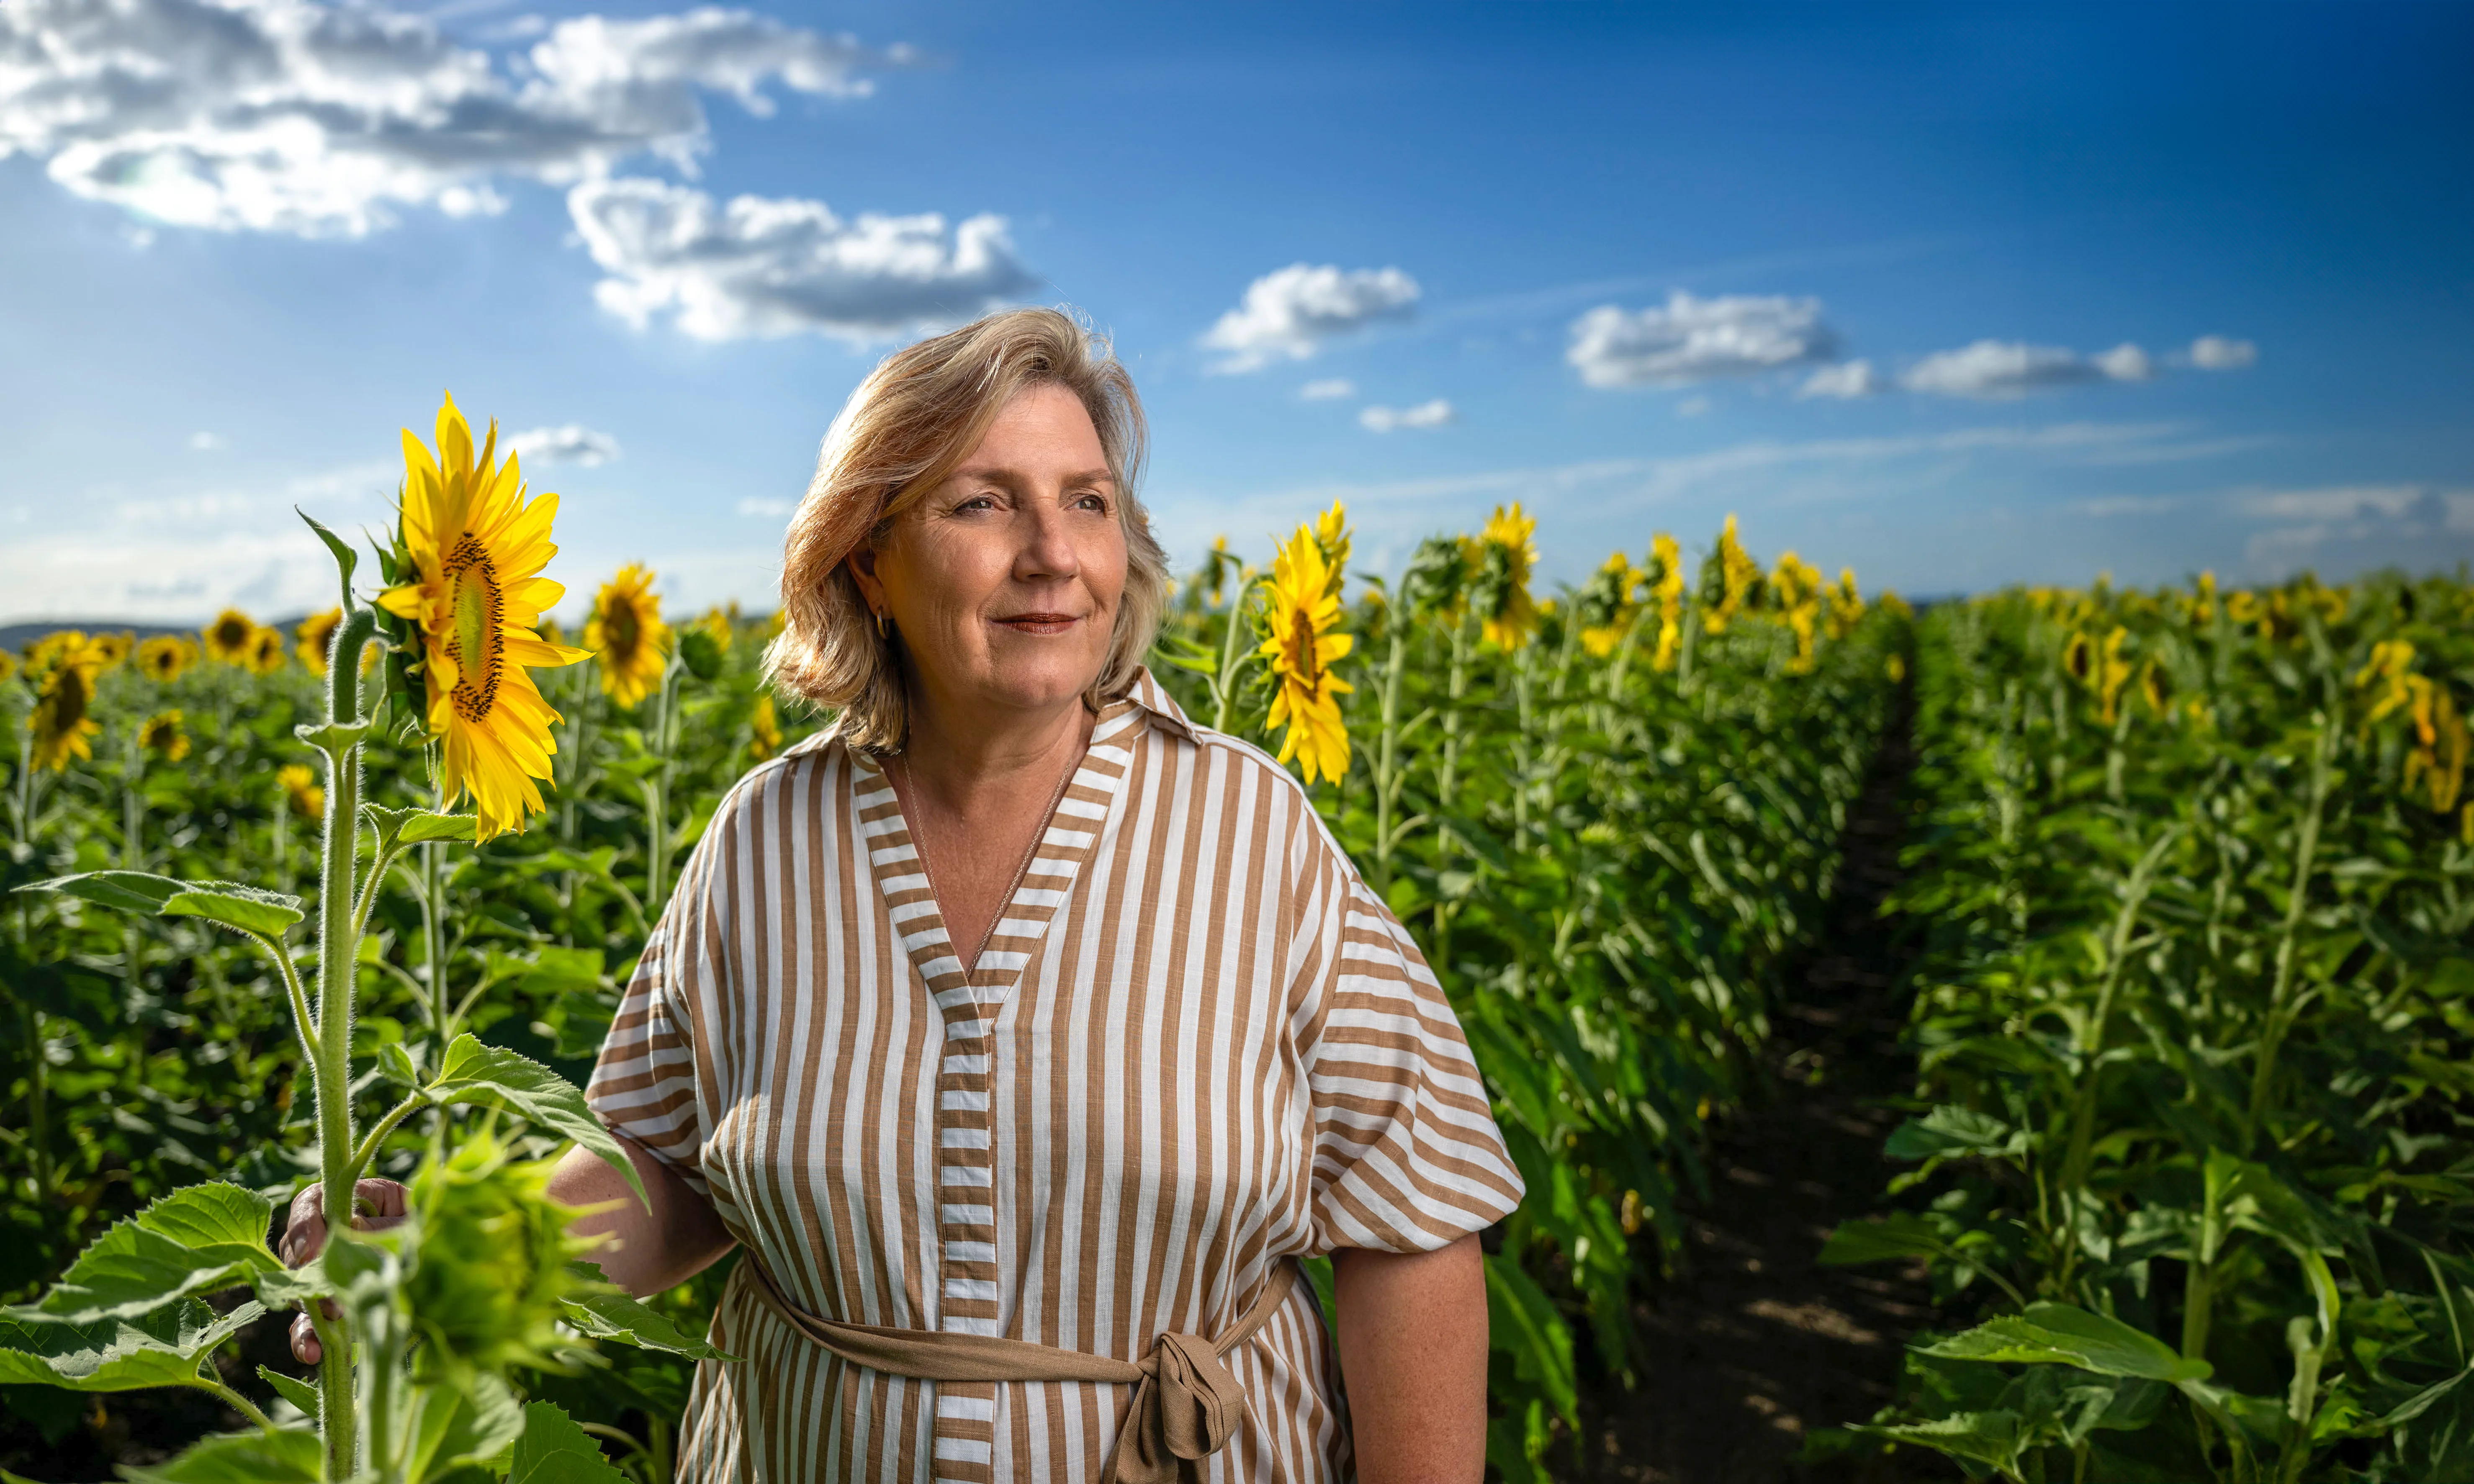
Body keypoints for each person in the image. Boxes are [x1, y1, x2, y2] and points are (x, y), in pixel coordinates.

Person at [282, 306, 1523, 1482]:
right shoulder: (767, 838)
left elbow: (1409, 1221)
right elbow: (666, 1167)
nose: (1052, 556)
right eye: (984, 504)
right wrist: (445, 1256)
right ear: (865, 559)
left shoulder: (1253, 834)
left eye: (1086, 503)